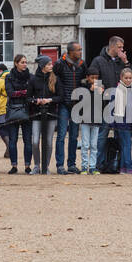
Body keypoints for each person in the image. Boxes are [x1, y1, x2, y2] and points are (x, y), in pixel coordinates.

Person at [53, 41, 85, 173]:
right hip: (63, 104)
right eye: (78, 50)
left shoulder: (82, 65)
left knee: (73, 136)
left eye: (81, 50)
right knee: (61, 135)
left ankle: (71, 164)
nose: (80, 52)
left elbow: (85, 81)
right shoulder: (60, 64)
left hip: (76, 104)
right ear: (71, 52)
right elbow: (53, 80)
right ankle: (60, 165)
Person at [27, 55, 59, 174]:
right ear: (42, 66)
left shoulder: (55, 79)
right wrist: (36, 101)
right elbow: (28, 98)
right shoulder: (33, 80)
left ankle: (46, 166)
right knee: (35, 141)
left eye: (51, 64)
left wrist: (49, 100)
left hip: (50, 114)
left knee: (49, 142)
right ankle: (36, 165)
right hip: (37, 114)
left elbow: (60, 96)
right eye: (49, 64)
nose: (51, 66)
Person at [2, 53, 33, 174]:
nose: (25, 64)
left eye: (25, 62)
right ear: (16, 63)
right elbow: (10, 93)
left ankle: (27, 165)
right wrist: (24, 92)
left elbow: (31, 92)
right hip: (13, 109)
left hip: (28, 109)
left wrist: (21, 92)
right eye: (22, 62)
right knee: (13, 139)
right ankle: (14, 165)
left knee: (28, 140)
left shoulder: (30, 76)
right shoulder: (9, 77)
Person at [112, 68, 132, 174]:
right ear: (121, 78)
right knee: (127, 144)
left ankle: (123, 168)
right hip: (121, 121)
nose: (128, 80)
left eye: (130, 78)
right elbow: (112, 107)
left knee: (125, 145)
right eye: (126, 78)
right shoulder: (117, 90)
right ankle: (128, 167)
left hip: (131, 121)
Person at [78, 67, 103, 174]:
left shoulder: (100, 87)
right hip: (85, 120)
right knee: (85, 144)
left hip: (96, 119)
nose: (94, 80)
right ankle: (84, 166)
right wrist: (90, 91)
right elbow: (80, 102)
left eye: (96, 78)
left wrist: (101, 94)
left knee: (94, 145)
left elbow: (102, 105)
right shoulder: (82, 87)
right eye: (92, 78)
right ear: (87, 77)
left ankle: (92, 166)